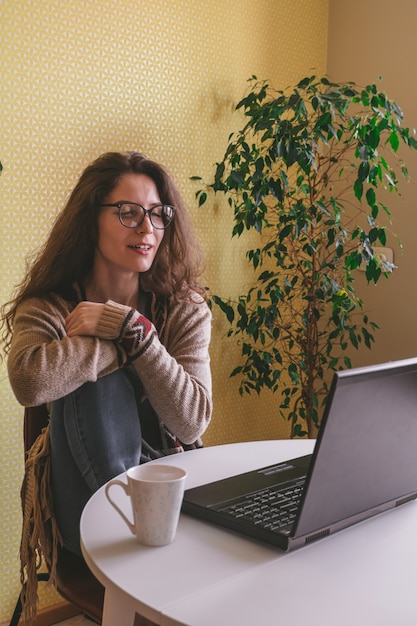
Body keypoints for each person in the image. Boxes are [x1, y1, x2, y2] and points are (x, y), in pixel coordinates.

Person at [1, 151, 212, 560]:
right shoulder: (51, 306)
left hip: (168, 483)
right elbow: (29, 383)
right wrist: (122, 344)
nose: (148, 228)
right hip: (87, 503)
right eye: (128, 213)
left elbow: (192, 422)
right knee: (94, 378)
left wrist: (133, 331)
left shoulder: (183, 306)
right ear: (90, 219)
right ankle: (142, 537)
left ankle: (150, 542)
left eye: (157, 213)